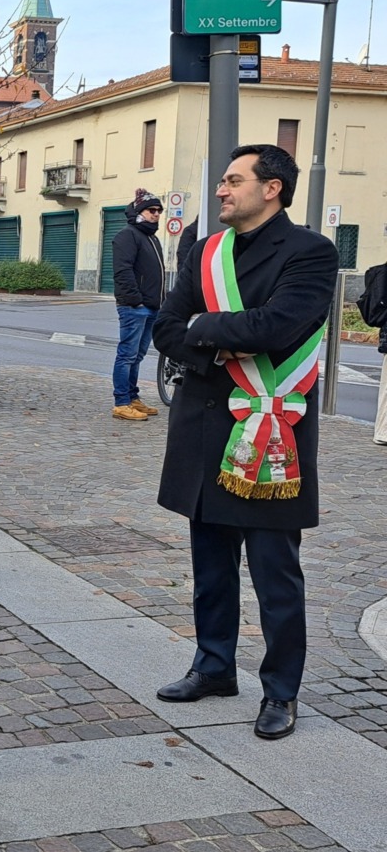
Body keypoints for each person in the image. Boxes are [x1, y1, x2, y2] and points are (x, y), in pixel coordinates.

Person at [152, 144, 338, 741]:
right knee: (210, 567)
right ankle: (213, 667)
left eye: (234, 181)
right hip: (205, 428)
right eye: (223, 182)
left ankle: (280, 691)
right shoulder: (205, 251)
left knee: (275, 574)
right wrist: (221, 343)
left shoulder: (310, 251)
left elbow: (277, 327)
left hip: (269, 435)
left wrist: (203, 328)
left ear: (272, 188)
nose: (221, 191)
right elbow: (165, 329)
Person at [110, 189, 165, 421]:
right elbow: (123, 271)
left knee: (137, 355)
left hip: (151, 306)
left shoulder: (152, 238)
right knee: (127, 355)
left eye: (159, 210)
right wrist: (135, 300)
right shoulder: (128, 235)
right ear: (140, 211)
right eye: (152, 210)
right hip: (135, 307)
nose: (156, 214)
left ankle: (133, 398)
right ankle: (121, 402)